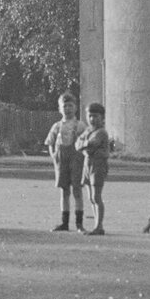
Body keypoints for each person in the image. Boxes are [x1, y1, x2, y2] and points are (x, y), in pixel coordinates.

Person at [43, 93, 88, 231]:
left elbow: (86, 142)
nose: (67, 109)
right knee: (64, 191)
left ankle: (79, 223)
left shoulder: (80, 125)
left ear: (75, 108)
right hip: (62, 160)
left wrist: (83, 156)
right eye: (65, 106)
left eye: (70, 106)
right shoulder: (57, 126)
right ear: (60, 109)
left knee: (77, 190)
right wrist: (54, 155)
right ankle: (65, 222)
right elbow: (50, 142)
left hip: (76, 160)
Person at [76, 102, 110, 235]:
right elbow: (77, 144)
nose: (92, 119)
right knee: (90, 197)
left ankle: (99, 226)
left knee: (96, 196)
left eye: (95, 116)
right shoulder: (88, 130)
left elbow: (92, 144)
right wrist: (83, 145)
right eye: (90, 116)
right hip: (87, 164)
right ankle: (96, 225)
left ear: (102, 118)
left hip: (98, 165)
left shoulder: (101, 132)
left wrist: (83, 144)